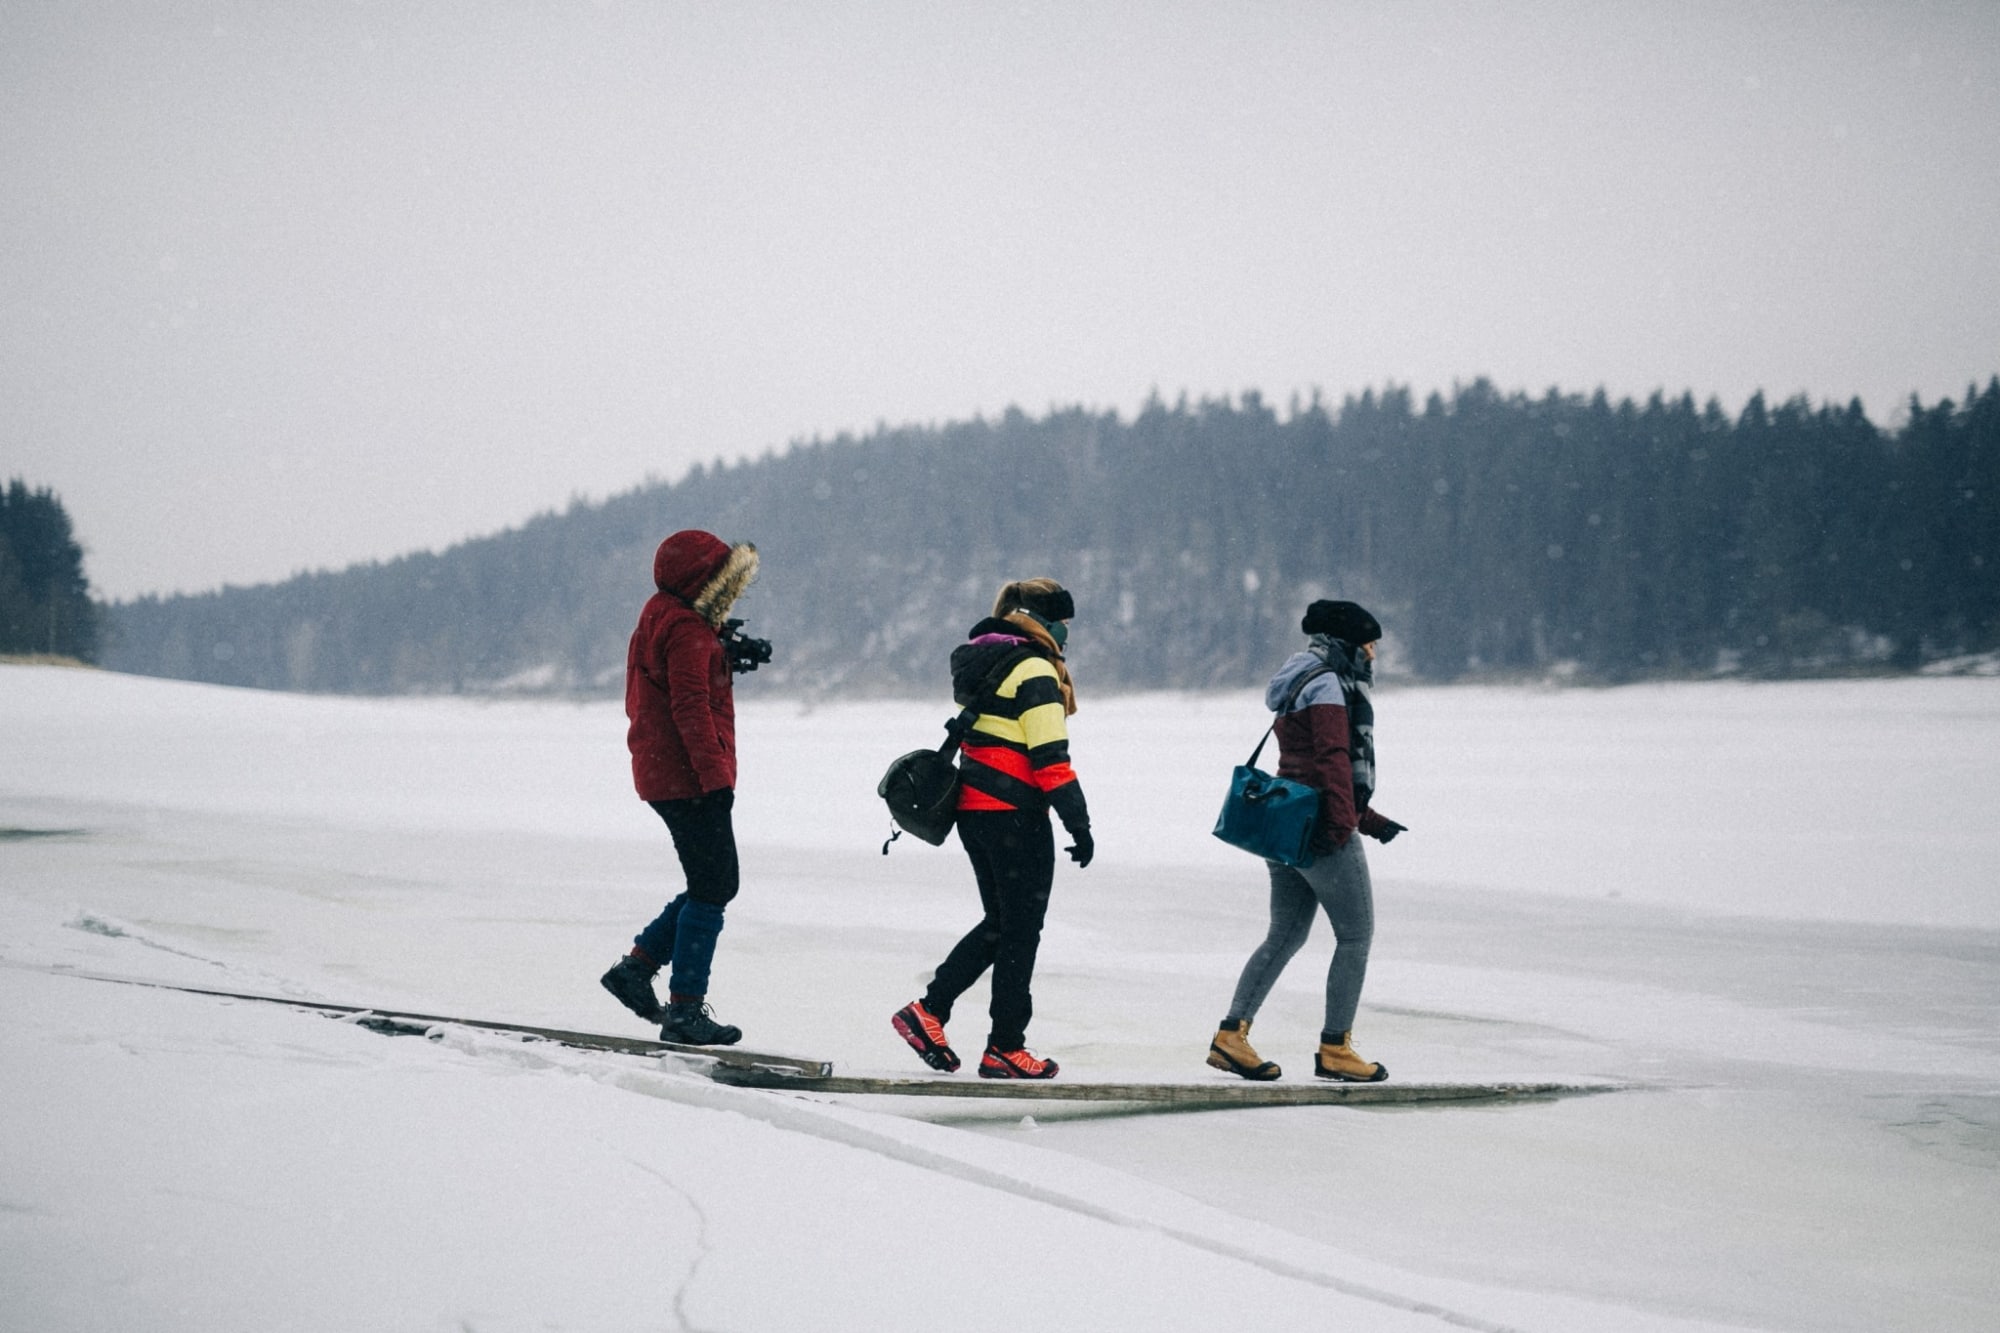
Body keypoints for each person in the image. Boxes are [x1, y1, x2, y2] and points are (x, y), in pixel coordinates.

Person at [892, 578, 1092, 1080]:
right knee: (1020, 932)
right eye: (1064, 625)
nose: (1067, 636)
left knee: (1001, 925)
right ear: (1044, 622)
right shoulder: (1034, 668)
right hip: (1015, 817)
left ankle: (930, 1011)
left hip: (975, 815)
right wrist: (1079, 822)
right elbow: (1050, 759)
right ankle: (1005, 1045)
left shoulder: (989, 658)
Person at [1206, 599, 1408, 1083]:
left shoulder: (1299, 677)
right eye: (1369, 645)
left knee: (1285, 934)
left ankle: (1231, 1036)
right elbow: (1332, 759)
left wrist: (1370, 819)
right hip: (1320, 826)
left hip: (1287, 822)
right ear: (1347, 643)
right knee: (1356, 936)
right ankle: (1335, 1047)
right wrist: (1343, 826)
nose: (1374, 655)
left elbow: (1303, 761)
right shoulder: (1329, 685)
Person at [599, 529, 760, 1046]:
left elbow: (673, 674)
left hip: (662, 771)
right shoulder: (688, 629)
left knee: (711, 882)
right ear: (702, 581)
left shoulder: (660, 614)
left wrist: (723, 653)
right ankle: (685, 1009)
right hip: (687, 777)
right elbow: (689, 706)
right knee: (715, 885)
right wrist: (716, 781)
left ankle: (637, 968)